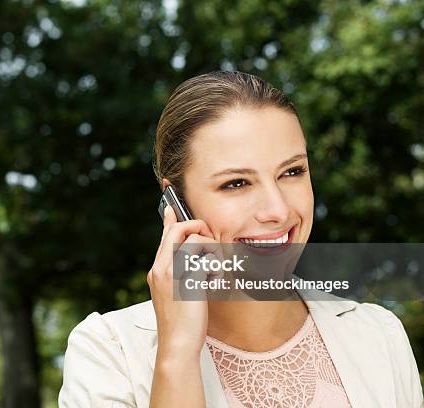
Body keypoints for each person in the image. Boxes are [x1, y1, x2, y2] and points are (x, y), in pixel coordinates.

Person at [58, 71, 423, 407]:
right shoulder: (108, 352)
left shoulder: (380, 334)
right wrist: (178, 352)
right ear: (176, 202)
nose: (277, 210)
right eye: (236, 183)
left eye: (292, 171)